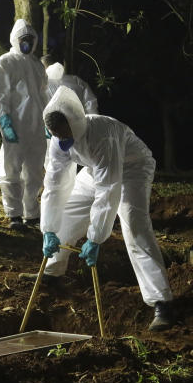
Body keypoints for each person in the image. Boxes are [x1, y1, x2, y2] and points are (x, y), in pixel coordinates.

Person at [39, 87, 176, 331]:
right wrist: (48, 228)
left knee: (135, 225)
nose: (63, 139)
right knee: (67, 211)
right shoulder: (58, 140)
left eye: (65, 133)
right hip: (95, 169)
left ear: (76, 122)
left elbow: (108, 190)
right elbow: (55, 183)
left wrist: (96, 236)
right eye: (56, 135)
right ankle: (51, 272)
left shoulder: (103, 135)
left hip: (132, 169)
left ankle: (161, 301)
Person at [0, 19, 49, 230]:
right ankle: (14, 214)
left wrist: (48, 122)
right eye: (23, 39)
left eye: (30, 40)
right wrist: (4, 120)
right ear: (15, 40)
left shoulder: (36, 65)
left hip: (36, 127)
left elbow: (43, 96)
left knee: (34, 172)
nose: (26, 43)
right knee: (10, 170)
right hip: (15, 126)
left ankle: (31, 214)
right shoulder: (5, 62)